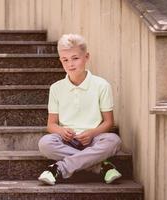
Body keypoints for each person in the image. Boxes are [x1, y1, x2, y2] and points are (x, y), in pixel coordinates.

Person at [38, 34, 122, 185]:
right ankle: (99, 166)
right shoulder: (56, 88)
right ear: (60, 61)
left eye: (75, 58)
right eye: (65, 60)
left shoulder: (101, 85)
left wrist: (92, 133)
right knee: (45, 143)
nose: (70, 64)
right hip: (67, 140)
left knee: (113, 141)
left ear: (86, 57)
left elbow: (109, 122)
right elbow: (51, 125)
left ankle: (59, 168)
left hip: (94, 139)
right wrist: (61, 131)